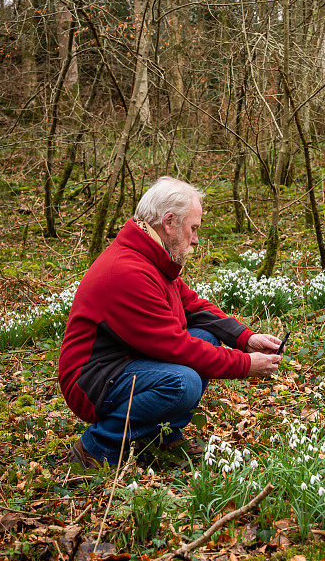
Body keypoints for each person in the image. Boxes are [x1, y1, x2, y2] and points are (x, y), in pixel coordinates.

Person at [59, 176, 283, 469]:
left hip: (125, 363)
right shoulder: (128, 271)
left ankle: (159, 434)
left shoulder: (150, 257)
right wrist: (245, 364)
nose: (195, 239)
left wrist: (245, 339)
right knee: (182, 382)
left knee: (208, 338)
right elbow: (176, 347)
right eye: (193, 229)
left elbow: (191, 306)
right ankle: (95, 448)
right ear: (169, 222)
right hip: (92, 380)